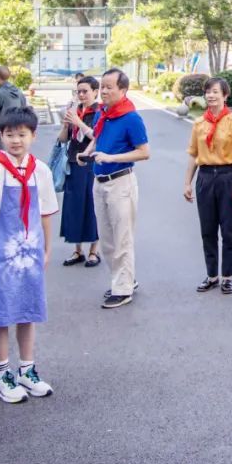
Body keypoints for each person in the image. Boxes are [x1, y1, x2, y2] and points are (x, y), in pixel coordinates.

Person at [0, 107, 59, 403]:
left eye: (22, 134)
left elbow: (45, 213)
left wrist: (47, 249)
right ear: (1, 136)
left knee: (28, 310)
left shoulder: (41, 170)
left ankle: (26, 369)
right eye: (9, 134)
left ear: (34, 135)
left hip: (31, 252)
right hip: (3, 254)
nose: (16, 140)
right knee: (1, 314)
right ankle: (2, 375)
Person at [80, 68, 150, 309]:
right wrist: (87, 153)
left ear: (123, 90)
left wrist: (111, 158)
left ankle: (123, 289)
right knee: (107, 239)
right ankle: (124, 279)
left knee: (122, 238)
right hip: (99, 181)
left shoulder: (131, 118)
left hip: (121, 182)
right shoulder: (103, 113)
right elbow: (97, 138)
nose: (104, 91)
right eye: (103, 86)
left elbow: (144, 152)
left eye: (109, 87)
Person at [183, 78, 232, 294]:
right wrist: (187, 183)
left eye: (215, 92)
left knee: (229, 230)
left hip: (228, 177)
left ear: (225, 95)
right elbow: (193, 155)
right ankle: (212, 275)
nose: (210, 96)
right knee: (207, 230)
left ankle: (227, 276)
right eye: (207, 92)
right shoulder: (199, 123)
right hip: (205, 177)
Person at [58, 76, 100, 267]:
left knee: (91, 206)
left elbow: (97, 136)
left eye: (85, 91)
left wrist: (79, 122)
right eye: (78, 91)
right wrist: (66, 125)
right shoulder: (75, 111)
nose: (81, 95)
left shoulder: (99, 112)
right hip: (73, 163)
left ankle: (93, 251)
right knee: (74, 206)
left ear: (95, 92)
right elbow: (63, 139)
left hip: (91, 164)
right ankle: (77, 250)